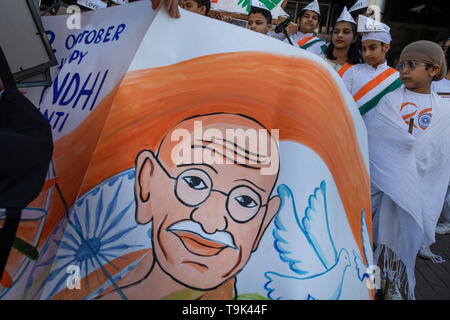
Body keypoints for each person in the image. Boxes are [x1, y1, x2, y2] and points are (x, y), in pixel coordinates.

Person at [96, 113, 281, 299]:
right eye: (194, 182)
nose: (211, 223)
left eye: (245, 201)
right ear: (147, 184)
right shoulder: (101, 277)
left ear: (263, 222)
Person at [366, 40, 450, 299]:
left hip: (419, 187)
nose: (404, 70)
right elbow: (378, 141)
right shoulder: (390, 101)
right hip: (387, 187)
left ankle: (396, 283)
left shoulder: (444, 110)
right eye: (401, 64)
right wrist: (402, 160)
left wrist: (417, 157)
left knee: (407, 240)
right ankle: (372, 283)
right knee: (378, 238)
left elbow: (441, 152)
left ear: (434, 70)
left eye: (412, 65)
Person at [342, 16, 402, 124]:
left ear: (386, 47)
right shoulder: (352, 71)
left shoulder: (396, 78)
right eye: (364, 49)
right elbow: (341, 102)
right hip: (352, 132)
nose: (367, 53)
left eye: (372, 48)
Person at [322, 6, 362, 76]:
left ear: (354, 38)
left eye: (346, 32)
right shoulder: (319, 60)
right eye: (336, 32)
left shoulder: (359, 69)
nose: (340, 35)